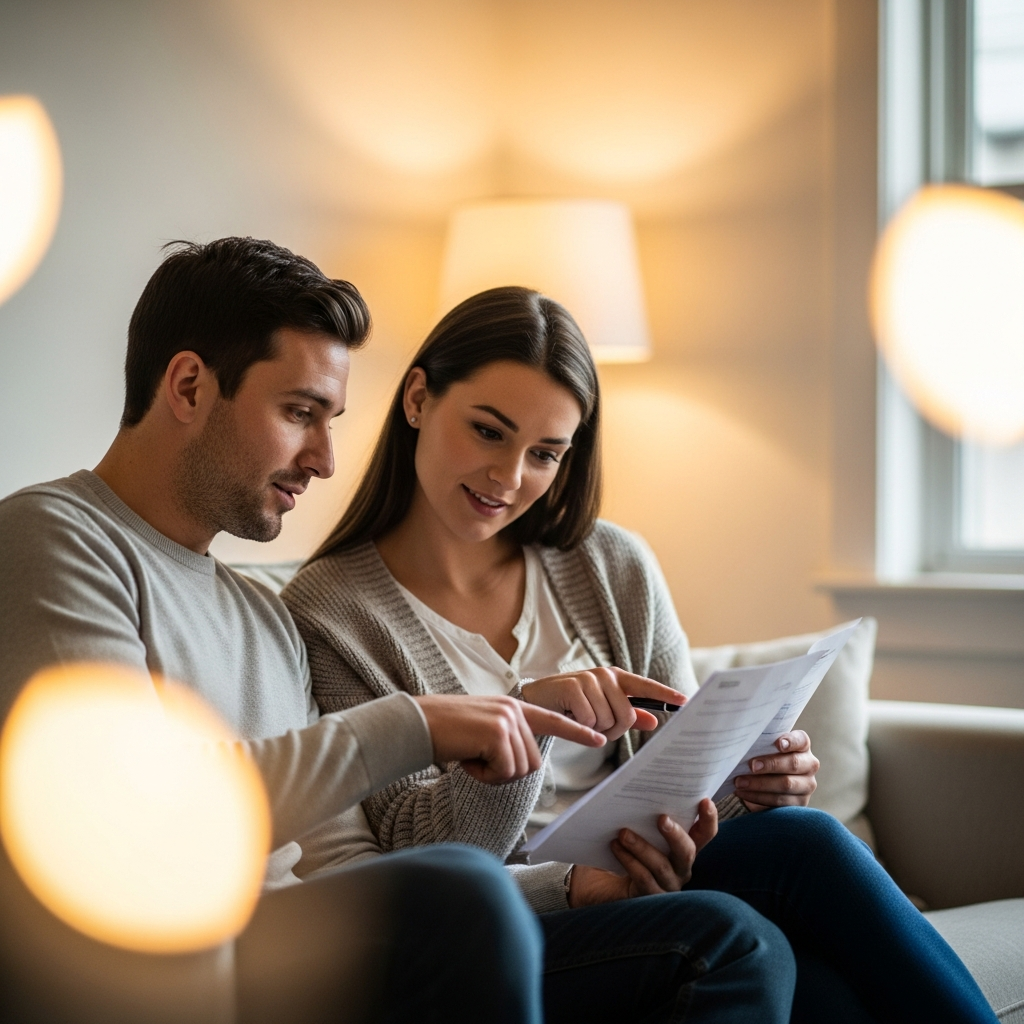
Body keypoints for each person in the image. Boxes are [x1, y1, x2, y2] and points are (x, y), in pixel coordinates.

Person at [282, 285, 1000, 1024]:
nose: (510, 478)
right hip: (511, 923)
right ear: (417, 399)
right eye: (489, 432)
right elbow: (414, 855)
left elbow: (687, 772)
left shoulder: (610, 564)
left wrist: (753, 784)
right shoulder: (330, 615)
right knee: (774, 957)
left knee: (804, 845)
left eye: (545, 454)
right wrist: (520, 729)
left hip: (645, 877)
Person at [0, 239, 620, 1024]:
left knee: (716, 934)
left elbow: (342, 867)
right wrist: (414, 725)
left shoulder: (266, 620)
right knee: (460, 896)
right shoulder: (52, 538)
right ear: (189, 386)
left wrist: (562, 887)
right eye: (300, 413)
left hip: (290, 960)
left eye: (331, 422)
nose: (324, 460)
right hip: (154, 967)